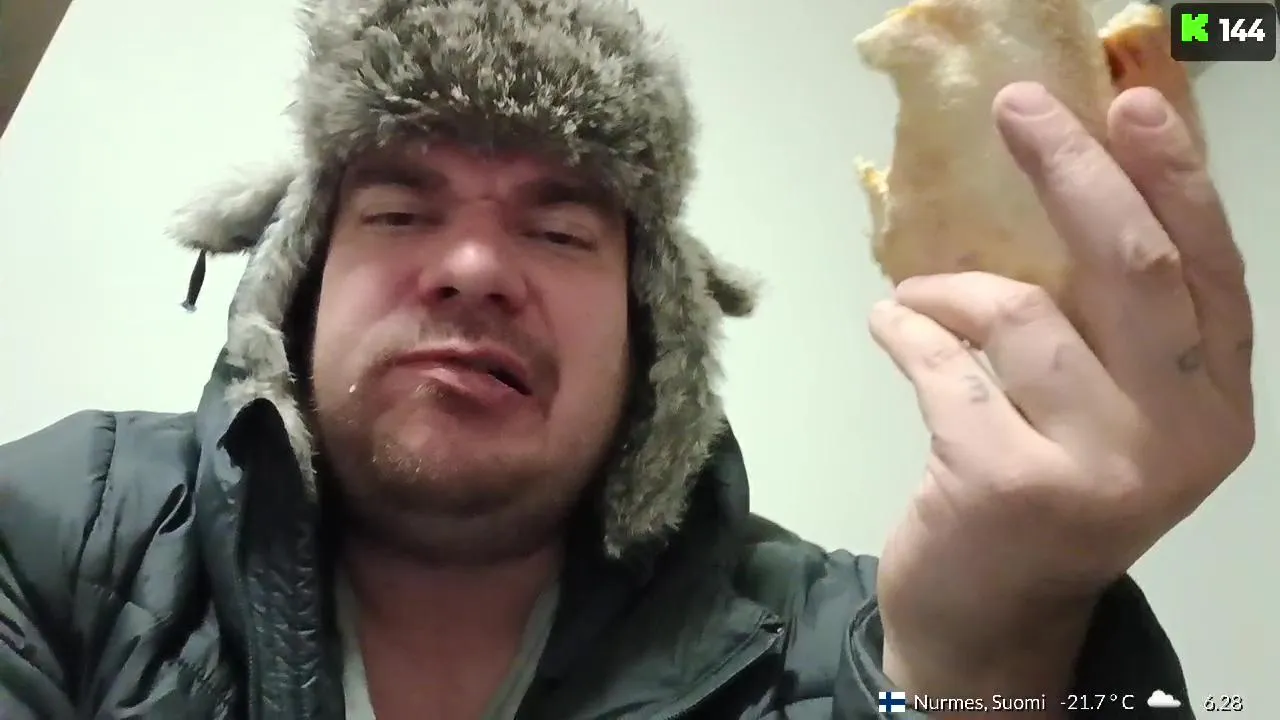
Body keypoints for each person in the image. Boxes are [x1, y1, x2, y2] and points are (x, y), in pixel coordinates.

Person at [0, 0, 1253, 718]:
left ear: (653, 328)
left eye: (557, 232)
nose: (474, 268)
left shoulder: (842, 645)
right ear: (298, 279)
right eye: (397, 211)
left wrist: (988, 656)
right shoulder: (61, 532)